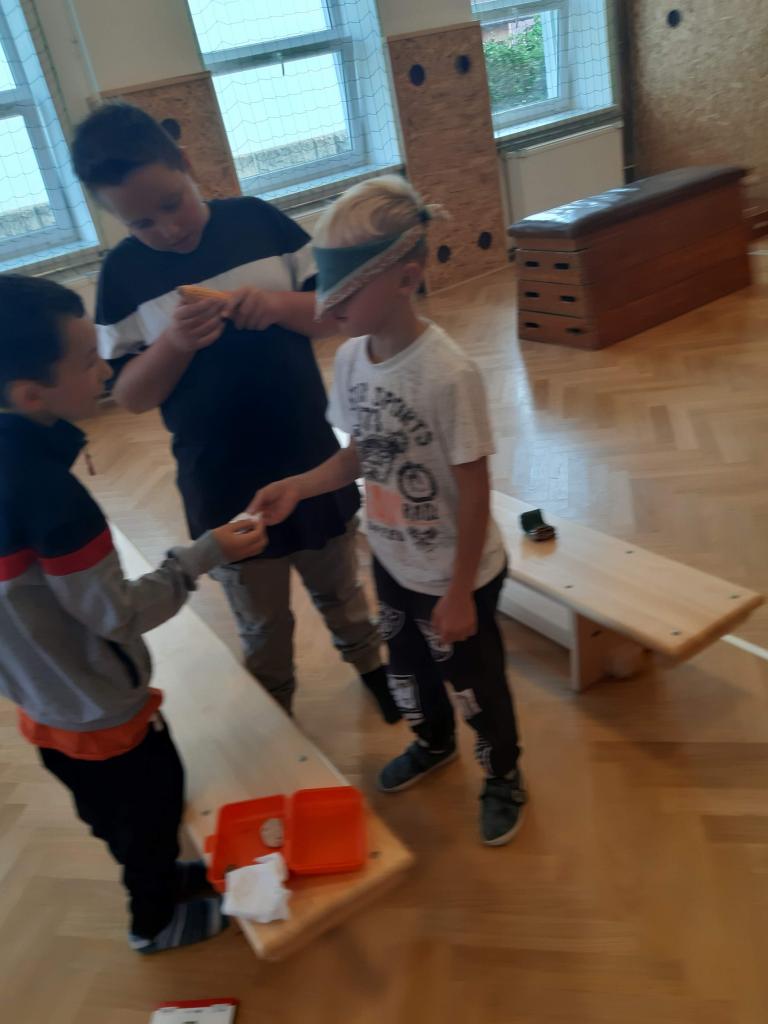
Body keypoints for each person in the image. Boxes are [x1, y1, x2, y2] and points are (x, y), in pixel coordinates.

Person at [70, 102, 397, 721]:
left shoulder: (258, 222)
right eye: (141, 222)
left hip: (309, 458)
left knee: (341, 588)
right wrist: (175, 343)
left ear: (185, 164)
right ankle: (277, 709)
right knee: (262, 619)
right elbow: (132, 396)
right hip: (220, 482)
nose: (168, 229)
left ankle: (371, 667)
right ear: (111, 217)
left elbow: (332, 315)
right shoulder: (122, 276)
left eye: (173, 203)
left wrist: (275, 306)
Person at [250, 176, 527, 845]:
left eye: (346, 289)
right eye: (326, 285)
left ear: (406, 278)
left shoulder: (448, 374)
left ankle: (502, 774)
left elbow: (475, 489)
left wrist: (458, 593)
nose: (329, 303)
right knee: (407, 671)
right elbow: (360, 454)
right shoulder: (351, 359)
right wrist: (299, 486)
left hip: (458, 576)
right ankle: (433, 742)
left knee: (475, 685)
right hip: (393, 560)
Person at [0, 273, 268, 952]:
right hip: (99, 709)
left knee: (113, 814)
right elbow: (116, 614)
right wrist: (203, 554)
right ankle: (155, 922)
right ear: (30, 395)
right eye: (87, 360)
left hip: (42, 698)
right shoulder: (51, 498)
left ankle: (156, 874)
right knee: (150, 810)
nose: (104, 368)